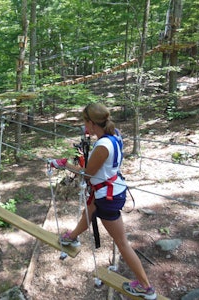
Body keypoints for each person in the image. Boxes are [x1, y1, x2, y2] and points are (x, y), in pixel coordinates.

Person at [50, 103, 156, 300]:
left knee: (122, 243)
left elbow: (87, 175)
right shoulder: (114, 134)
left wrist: (64, 164)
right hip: (109, 191)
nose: (83, 126)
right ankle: (71, 236)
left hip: (108, 197)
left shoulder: (102, 146)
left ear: (91, 122)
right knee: (88, 211)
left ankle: (146, 287)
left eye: (85, 122)